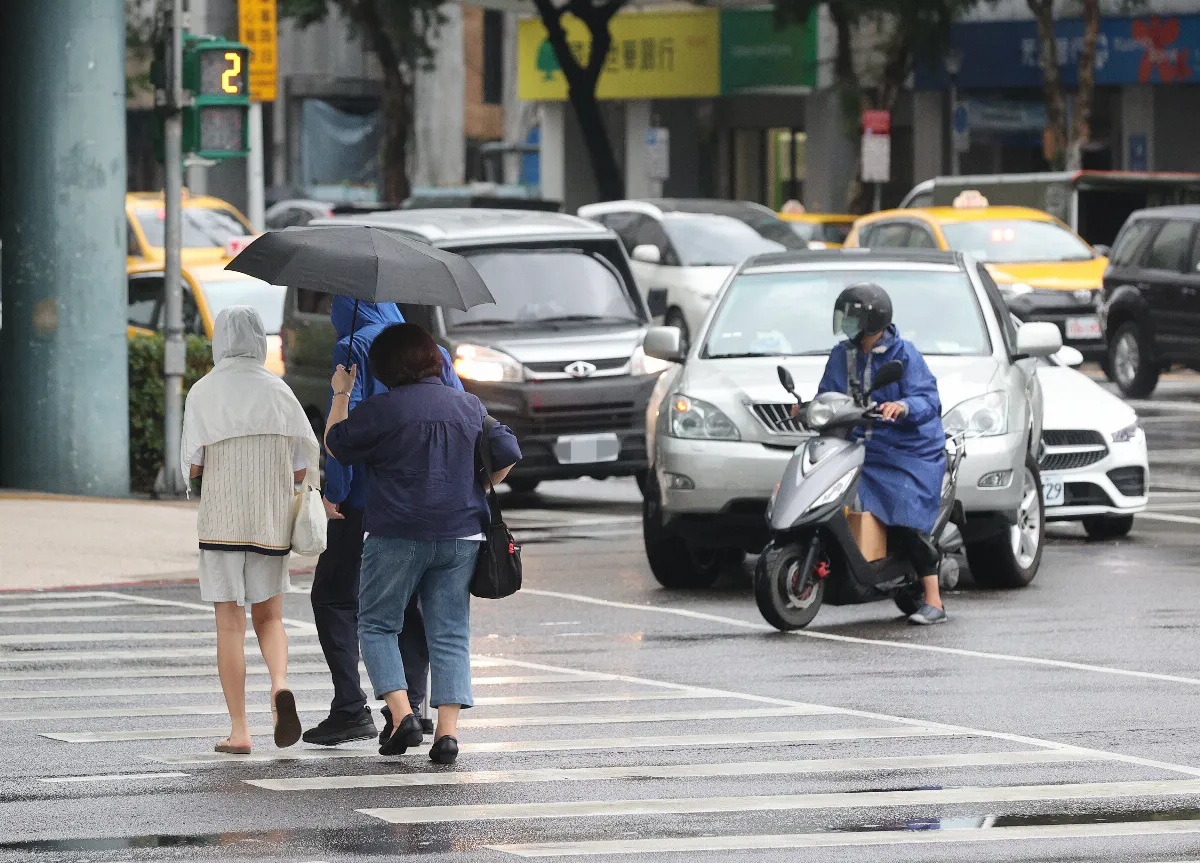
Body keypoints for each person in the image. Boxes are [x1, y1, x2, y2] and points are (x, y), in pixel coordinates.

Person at [325, 323, 521, 764]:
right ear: (435, 361)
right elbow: (507, 450)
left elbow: (336, 445)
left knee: (377, 625)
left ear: (385, 366)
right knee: (449, 632)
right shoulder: (468, 405)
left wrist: (341, 392)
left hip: (396, 533)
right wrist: (478, 484)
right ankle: (447, 735)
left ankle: (401, 715)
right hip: (461, 536)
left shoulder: (382, 409)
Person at [304, 298, 463, 747]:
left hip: (366, 498)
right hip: (427, 496)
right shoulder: (427, 347)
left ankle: (350, 707)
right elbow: (455, 407)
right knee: (413, 603)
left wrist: (336, 491)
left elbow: (345, 432)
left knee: (335, 598)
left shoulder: (352, 346)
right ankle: (410, 705)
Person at [181, 306, 321, 754]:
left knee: (228, 625)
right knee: (271, 617)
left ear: (220, 339)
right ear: (261, 340)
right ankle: (280, 686)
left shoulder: (204, 392)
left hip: (222, 522)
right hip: (270, 522)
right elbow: (302, 468)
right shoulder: (280, 392)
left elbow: (193, 465)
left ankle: (240, 730)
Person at [817, 283, 949, 626]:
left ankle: (934, 600)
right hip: (861, 446)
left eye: (851, 316)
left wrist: (902, 406)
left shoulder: (905, 354)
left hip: (909, 450)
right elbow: (828, 395)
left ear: (871, 320)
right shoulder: (841, 355)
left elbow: (928, 400)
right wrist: (807, 408)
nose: (845, 322)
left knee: (904, 513)